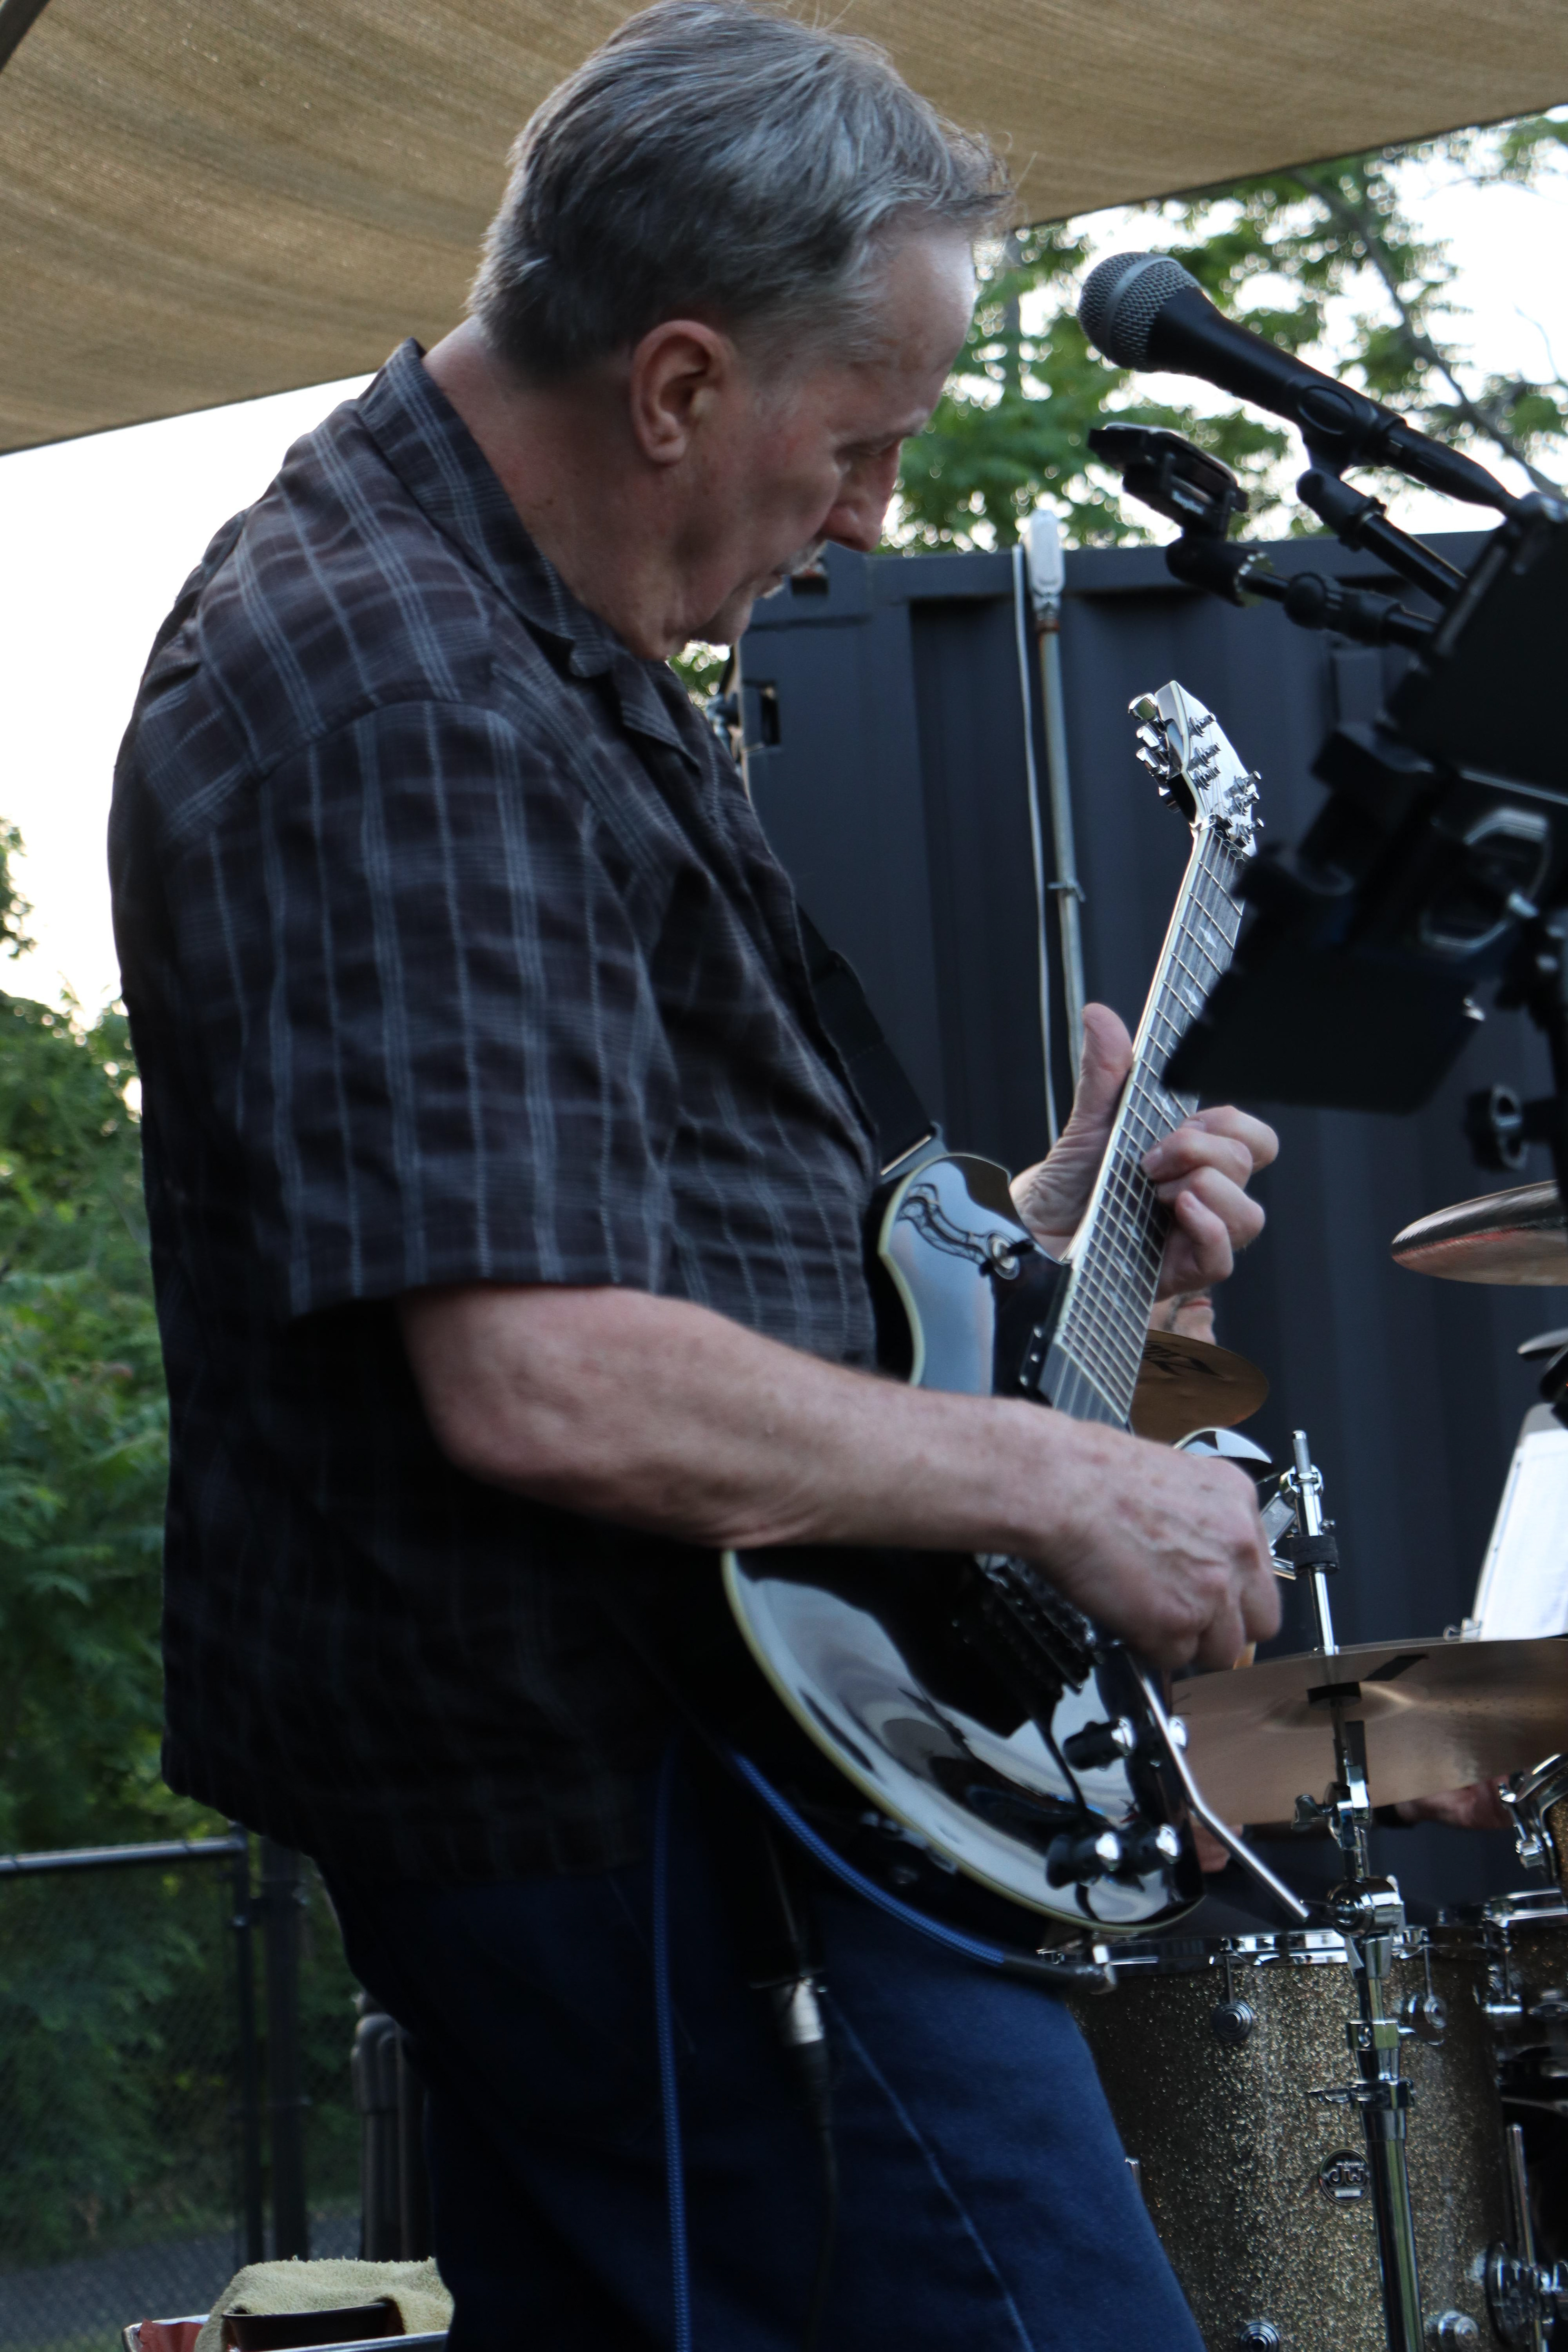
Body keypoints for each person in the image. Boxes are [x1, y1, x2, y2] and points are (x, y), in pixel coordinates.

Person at [110, 6, 1287, 2344]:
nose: (870, 516)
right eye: (859, 443)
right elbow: (547, 1375)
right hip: (643, 1799)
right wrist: (1069, 1483)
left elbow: (657, 1249)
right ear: (674, 386)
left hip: (702, 1768)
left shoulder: (529, 636)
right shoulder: (408, 694)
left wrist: (1045, 1242)